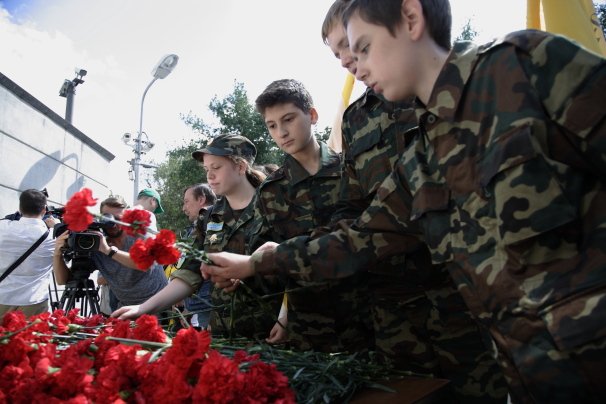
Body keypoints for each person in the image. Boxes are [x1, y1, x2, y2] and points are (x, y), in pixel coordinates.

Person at [205, 0, 606, 401]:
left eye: (363, 47)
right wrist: (259, 262)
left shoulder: (521, 68)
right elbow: (361, 236)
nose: (355, 66)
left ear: (411, 18)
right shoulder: (422, 157)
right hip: (538, 375)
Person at [113, 134, 283, 341]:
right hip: (224, 334)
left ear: (240, 166)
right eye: (206, 169)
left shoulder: (276, 208)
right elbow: (189, 273)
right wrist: (144, 307)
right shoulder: (208, 217)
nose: (210, 176)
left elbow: (298, 263)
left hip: (274, 331)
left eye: (216, 167)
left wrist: (286, 316)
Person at [252, 78, 373, 353]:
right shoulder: (270, 192)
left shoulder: (352, 169)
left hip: (368, 318)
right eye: (272, 126)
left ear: (313, 115)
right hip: (309, 330)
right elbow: (269, 264)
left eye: (288, 119)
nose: (282, 132)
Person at [53, 195, 168, 309]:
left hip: (159, 304)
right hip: (127, 308)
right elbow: (63, 280)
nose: (114, 224)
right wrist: (57, 254)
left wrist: (109, 251)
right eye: (108, 219)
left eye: (119, 219)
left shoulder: (139, 233)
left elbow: (146, 263)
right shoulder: (96, 244)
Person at [0, 189, 59, 321]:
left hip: (2, 296)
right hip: (34, 300)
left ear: (20, 208)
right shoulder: (52, 236)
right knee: (32, 335)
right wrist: (57, 226)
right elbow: (64, 251)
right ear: (44, 209)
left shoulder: (2, 227)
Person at [180, 183, 217, 329]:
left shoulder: (214, 222)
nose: (184, 208)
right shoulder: (196, 228)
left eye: (186, 202)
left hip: (212, 306)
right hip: (201, 304)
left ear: (201, 200)